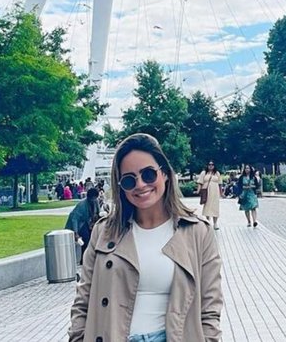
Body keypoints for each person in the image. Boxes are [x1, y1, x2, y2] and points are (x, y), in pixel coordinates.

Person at [69, 133, 223, 342]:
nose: (140, 185)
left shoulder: (197, 232)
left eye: (149, 174)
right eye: (129, 180)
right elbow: (83, 299)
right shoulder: (104, 232)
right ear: (121, 187)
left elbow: (210, 308)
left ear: (165, 174)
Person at [66, 187, 102, 260]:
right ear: (88, 198)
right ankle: (84, 259)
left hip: (88, 223)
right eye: (93, 198)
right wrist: (76, 233)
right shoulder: (81, 205)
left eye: (95, 198)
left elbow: (98, 213)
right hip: (80, 224)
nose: (94, 200)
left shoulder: (96, 201)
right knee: (86, 240)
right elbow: (74, 219)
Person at [196, 162, 222, 230]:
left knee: (215, 207)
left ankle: (215, 223)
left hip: (215, 192)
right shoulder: (204, 173)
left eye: (212, 165)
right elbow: (200, 182)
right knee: (207, 206)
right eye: (209, 165)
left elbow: (220, 184)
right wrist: (198, 191)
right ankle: (208, 222)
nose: (211, 166)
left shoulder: (217, 173)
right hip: (207, 191)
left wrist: (221, 193)